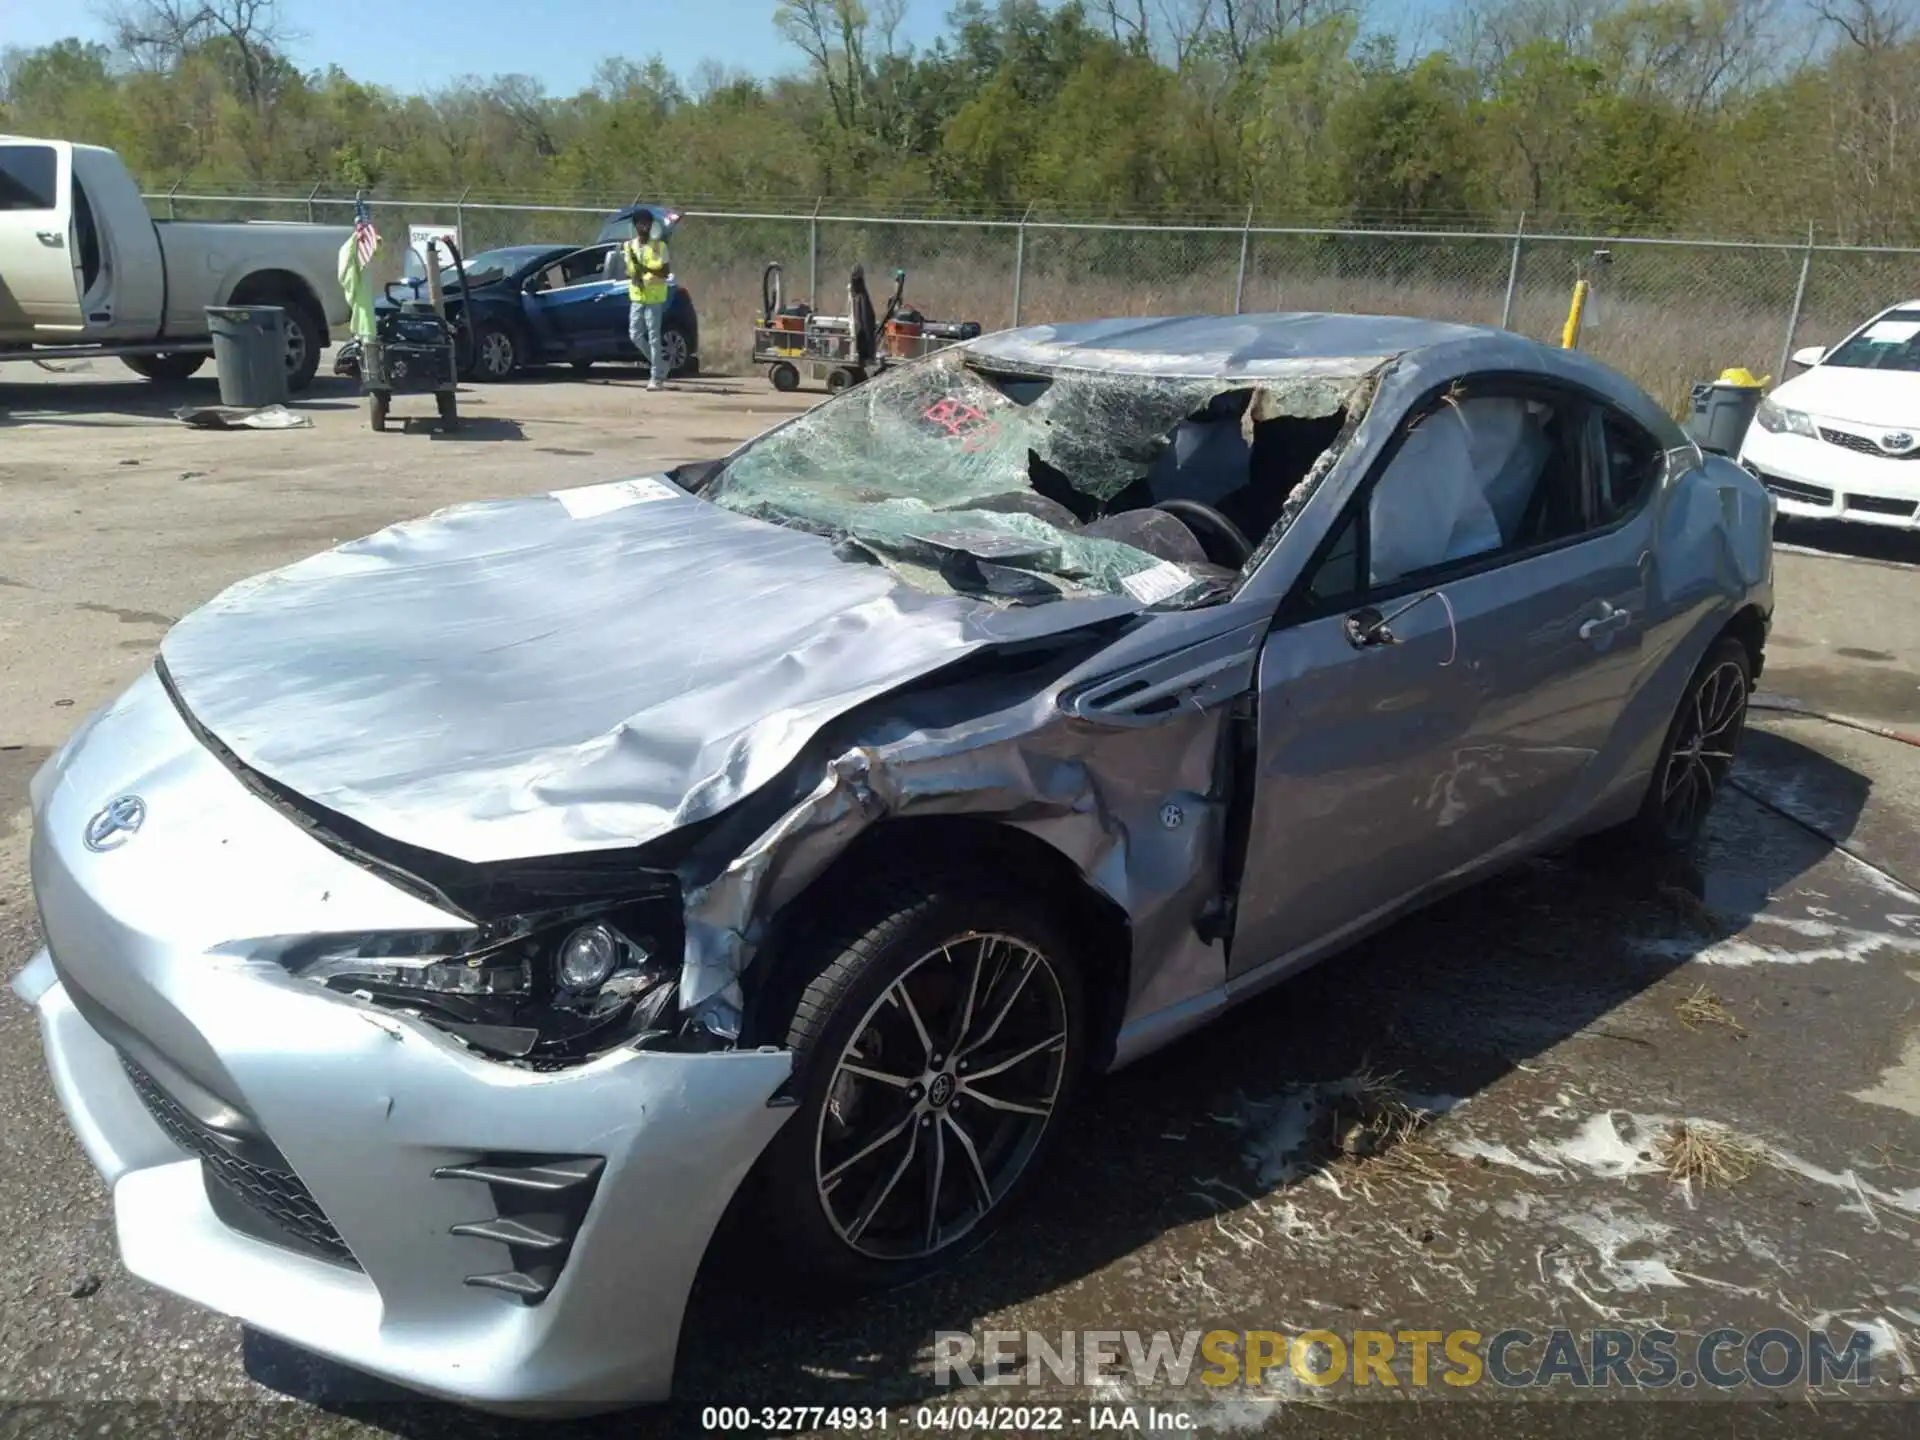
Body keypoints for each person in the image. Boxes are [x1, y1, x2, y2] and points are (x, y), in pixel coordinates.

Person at [622, 209, 671, 391]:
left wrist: (646, 269)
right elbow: (629, 270)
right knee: (635, 335)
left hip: (655, 296)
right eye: (641, 223)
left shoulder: (659, 246)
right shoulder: (629, 246)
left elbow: (665, 272)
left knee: (653, 336)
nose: (645, 226)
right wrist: (634, 275)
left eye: (648, 223)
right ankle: (661, 364)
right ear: (635, 226)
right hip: (637, 295)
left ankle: (656, 376)